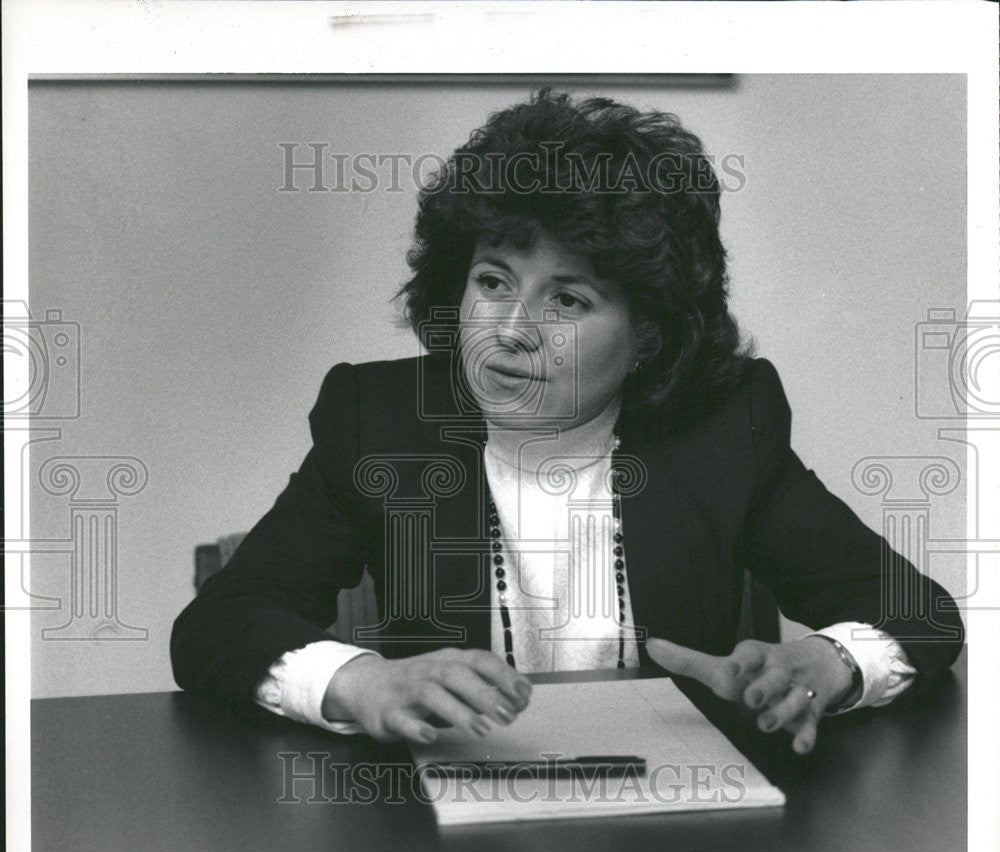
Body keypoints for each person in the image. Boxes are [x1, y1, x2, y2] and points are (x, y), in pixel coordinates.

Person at [171, 89, 964, 756]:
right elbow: (219, 624)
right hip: (442, 834)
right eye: (492, 280)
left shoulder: (724, 430)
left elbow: (922, 612)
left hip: (675, 829)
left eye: (568, 300)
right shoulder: (377, 422)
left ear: (648, 334)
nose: (511, 327)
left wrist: (825, 666)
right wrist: (363, 681)